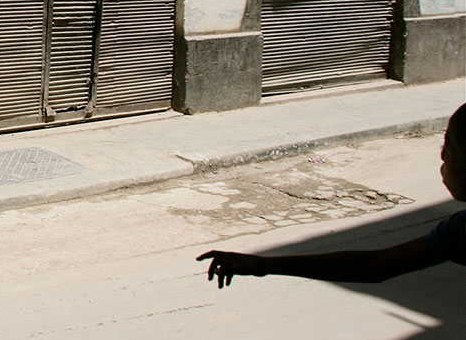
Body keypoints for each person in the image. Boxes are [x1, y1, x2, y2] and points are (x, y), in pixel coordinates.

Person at [197, 103, 466, 288]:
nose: (442, 155)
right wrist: (262, 264)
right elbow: (374, 264)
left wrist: (263, 264)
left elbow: (375, 265)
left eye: (449, 147)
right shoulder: (459, 230)